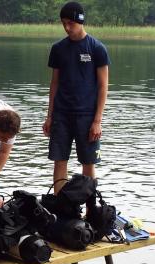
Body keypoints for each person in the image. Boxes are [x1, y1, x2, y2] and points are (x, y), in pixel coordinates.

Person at [42, 1, 110, 195]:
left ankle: (91, 209)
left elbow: (103, 86)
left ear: (80, 21)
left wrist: (97, 120)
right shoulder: (58, 49)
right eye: (63, 23)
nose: (66, 27)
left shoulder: (97, 48)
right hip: (61, 114)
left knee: (88, 163)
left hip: (87, 115)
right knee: (59, 160)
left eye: (70, 23)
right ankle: (59, 207)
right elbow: (54, 83)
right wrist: (49, 116)